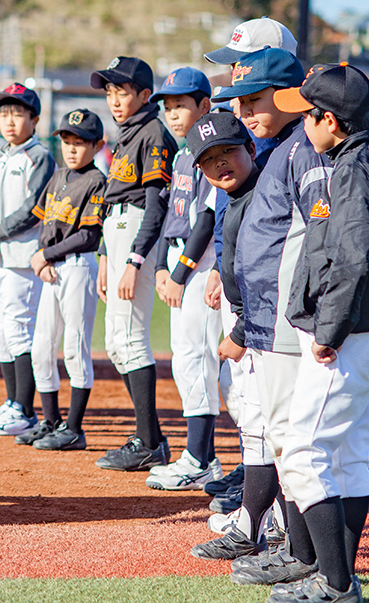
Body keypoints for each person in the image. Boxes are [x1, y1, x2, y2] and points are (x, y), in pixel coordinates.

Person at [266, 64, 369, 603]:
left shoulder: (351, 170)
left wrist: (332, 326)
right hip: (363, 327)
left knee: (302, 453)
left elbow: (354, 257)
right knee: (346, 456)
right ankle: (340, 578)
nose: (302, 125)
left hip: (344, 334)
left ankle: (336, 583)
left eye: (308, 116)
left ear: (331, 121)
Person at [208, 48, 331, 588]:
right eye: (239, 101)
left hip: (287, 322)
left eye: (254, 99)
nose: (243, 111)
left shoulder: (302, 149)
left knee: (296, 442)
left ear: (289, 95)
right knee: (283, 439)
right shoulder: (278, 148)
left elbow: (317, 243)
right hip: (266, 321)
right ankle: (299, 550)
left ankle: (306, 556)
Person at [180, 112, 271, 561]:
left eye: (228, 151)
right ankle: (263, 518)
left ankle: (257, 525)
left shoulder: (261, 198)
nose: (219, 164)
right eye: (208, 159)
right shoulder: (235, 198)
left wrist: (240, 331)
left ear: (251, 149)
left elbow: (269, 276)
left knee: (264, 425)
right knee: (253, 420)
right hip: (248, 319)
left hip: (260, 327)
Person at [90, 56, 176, 471]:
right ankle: (150, 438)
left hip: (137, 232)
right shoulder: (128, 134)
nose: (114, 100)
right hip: (119, 232)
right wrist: (106, 258)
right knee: (116, 342)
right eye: (109, 92)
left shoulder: (153, 133)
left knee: (130, 338)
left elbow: (156, 205)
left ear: (145, 95)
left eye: (122, 91)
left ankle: (148, 442)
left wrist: (134, 259)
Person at [145, 67, 224, 492]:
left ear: (205, 105)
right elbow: (170, 218)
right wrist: (161, 266)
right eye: (168, 106)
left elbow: (206, 221)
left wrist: (178, 273)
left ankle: (199, 458)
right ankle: (202, 457)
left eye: (181, 105)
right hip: (179, 262)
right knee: (185, 357)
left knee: (198, 358)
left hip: (202, 265)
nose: (173, 114)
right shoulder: (180, 156)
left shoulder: (213, 152)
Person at [0, 83, 55, 437]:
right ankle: (12, 401)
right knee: (0, 330)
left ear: (34, 120)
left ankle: (25, 409)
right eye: (4, 114)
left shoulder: (40, 157)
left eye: (18, 114)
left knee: (20, 330)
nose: (9, 121)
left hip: (21, 257)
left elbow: (34, 208)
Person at [17, 108, 106, 451]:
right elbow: (44, 225)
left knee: (74, 347)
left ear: (97, 145)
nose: (71, 148)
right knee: (41, 348)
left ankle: (74, 428)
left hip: (78, 267)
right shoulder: (58, 176)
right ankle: (51, 422)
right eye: (67, 140)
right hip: (52, 269)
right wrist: (43, 259)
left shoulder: (97, 181)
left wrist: (46, 255)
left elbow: (88, 235)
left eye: (80, 142)